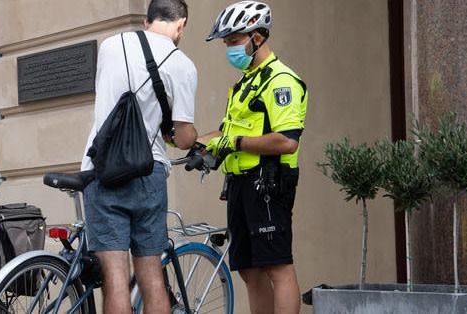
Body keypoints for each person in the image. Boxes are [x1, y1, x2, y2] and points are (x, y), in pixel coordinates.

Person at [79, 0, 198, 312]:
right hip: (149, 173)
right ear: (181, 24)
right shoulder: (183, 65)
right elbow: (184, 139)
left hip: (102, 169)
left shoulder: (109, 46)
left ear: (147, 21)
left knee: (115, 280)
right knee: (150, 276)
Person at [198, 1, 308, 313]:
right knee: (248, 269)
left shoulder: (281, 81)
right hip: (240, 183)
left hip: (268, 183)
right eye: (227, 43)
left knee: (277, 266)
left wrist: (233, 142)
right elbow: (225, 133)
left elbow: (287, 141)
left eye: (234, 41)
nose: (230, 49)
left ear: (257, 37)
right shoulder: (246, 83)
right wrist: (191, 141)